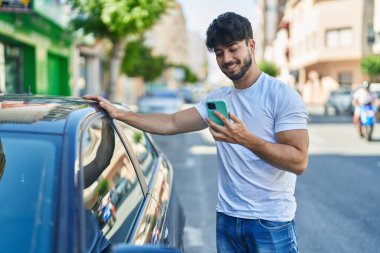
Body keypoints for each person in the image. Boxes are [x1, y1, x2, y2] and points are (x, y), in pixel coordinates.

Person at [84, 12, 309, 253]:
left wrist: (245, 139)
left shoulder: (281, 95)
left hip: (270, 222)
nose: (227, 59)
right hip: (228, 219)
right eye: (220, 53)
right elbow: (171, 122)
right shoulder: (219, 98)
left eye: (233, 49)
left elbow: (298, 161)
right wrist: (119, 113)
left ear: (251, 45)